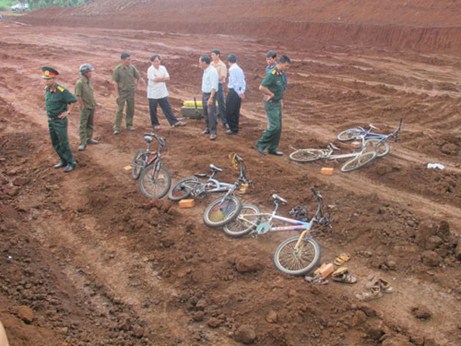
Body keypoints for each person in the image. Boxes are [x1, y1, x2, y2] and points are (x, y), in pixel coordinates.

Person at [41, 66, 78, 172]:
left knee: (63, 142)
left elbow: (73, 100)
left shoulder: (61, 90)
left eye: (48, 79)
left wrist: (68, 111)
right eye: (45, 79)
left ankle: (71, 163)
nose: (46, 81)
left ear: (54, 79)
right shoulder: (47, 89)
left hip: (59, 121)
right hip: (51, 120)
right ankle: (63, 160)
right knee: (55, 142)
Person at [255, 55, 291, 156]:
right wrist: (270, 94)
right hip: (271, 104)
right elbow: (261, 87)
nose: (287, 68)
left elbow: (281, 88)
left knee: (279, 127)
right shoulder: (272, 74)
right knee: (274, 126)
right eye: (286, 66)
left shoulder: (280, 73)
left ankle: (272, 148)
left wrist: (280, 100)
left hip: (277, 102)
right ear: (280, 63)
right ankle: (260, 143)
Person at [147, 54, 186, 129]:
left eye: (158, 61)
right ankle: (155, 124)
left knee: (167, 108)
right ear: (151, 62)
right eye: (155, 61)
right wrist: (162, 79)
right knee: (153, 109)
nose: (157, 63)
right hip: (153, 93)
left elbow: (168, 78)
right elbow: (155, 79)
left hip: (162, 92)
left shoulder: (163, 68)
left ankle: (174, 122)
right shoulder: (150, 70)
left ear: (160, 61)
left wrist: (160, 79)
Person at [112, 52, 140, 135]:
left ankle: (129, 125)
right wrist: (117, 95)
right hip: (122, 92)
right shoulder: (118, 69)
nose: (130, 61)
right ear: (123, 60)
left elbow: (138, 77)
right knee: (120, 110)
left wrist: (136, 87)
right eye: (128, 59)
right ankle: (117, 127)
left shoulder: (132, 68)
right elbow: (115, 82)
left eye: (130, 59)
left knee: (130, 109)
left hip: (130, 92)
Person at [75, 64, 98, 151]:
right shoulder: (80, 83)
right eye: (90, 71)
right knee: (83, 125)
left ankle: (89, 139)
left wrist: (95, 103)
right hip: (85, 107)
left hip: (91, 105)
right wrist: (82, 106)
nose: (91, 73)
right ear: (85, 72)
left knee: (90, 124)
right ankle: (83, 143)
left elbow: (90, 93)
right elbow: (78, 95)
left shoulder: (90, 81)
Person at [199, 55, 219, 140]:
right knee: (205, 112)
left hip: (210, 95)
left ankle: (213, 132)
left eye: (200, 62)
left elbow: (214, 86)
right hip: (205, 94)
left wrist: (211, 97)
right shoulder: (206, 70)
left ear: (204, 62)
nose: (199, 64)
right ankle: (207, 128)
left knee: (211, 113)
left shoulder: (212, 71)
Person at [225, 54, 246, 135]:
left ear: (228, 62)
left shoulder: (232, 69)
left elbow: (234, 83)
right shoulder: (239, 69)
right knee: (236, 110)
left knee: (230, 110)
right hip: (238, 92)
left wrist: (238, 92)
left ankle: (233, 128)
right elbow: (243, 81)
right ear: (236, 60)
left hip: (234, 92)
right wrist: (242, 92)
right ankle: (235, 127)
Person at [210, 49, 228, 129]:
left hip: (219, 86)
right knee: (212, 104)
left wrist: (213, 79)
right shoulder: (211, 64)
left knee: (221, 104)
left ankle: (225, 122)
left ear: (218, 55)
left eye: (213, 55)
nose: (212, 56)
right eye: (212, 55)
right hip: (212, 86)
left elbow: (222, 76)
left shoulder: (222, 65)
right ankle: (214, 121)